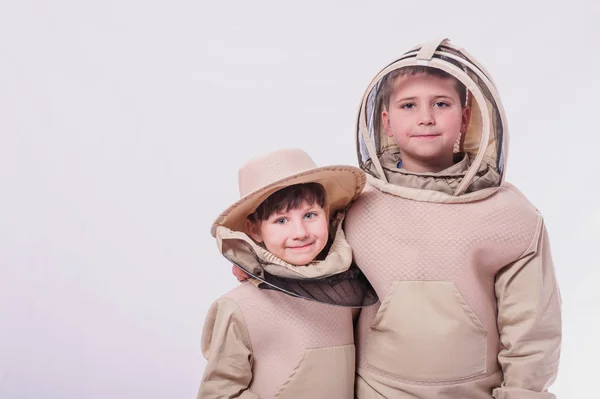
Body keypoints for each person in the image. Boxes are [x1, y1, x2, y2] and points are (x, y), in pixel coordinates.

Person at [344, 38, 562, 398]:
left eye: (441, 104)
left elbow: (532, 328)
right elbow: (312, 265)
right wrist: (261, 269)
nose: (425, 117)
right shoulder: (353, 201)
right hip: (375, 389)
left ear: (465, 116)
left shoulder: (511, 215)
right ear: (386, 121)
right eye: (408, 104)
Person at [198, 148, 376, 399]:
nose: (300, 232)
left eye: (310, 215)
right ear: (254, 229)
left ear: (326, 215)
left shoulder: (348, 294)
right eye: (281, 220)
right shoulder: (237, 307)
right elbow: (218, 393)